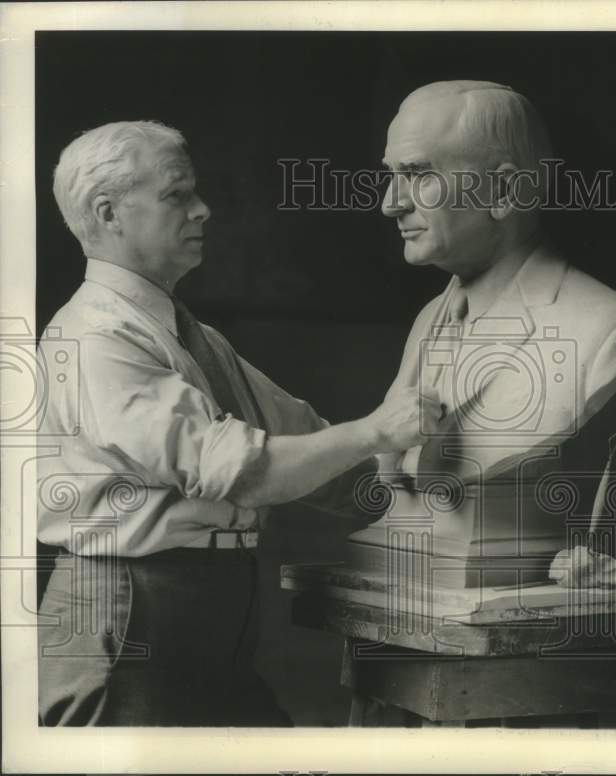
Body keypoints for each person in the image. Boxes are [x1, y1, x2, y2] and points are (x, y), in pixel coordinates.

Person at [36, 120, 440, 725]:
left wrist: (436, 501)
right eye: (177, 195)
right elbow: (244, 474)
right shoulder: (96, 338)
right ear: (109, 212)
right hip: (127, 619)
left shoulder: (192, 338)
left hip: (208, 615)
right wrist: (378, 431)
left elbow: (308, 445)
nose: (203, 210)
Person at [346, 81, 616, 583]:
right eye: (391, 177)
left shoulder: (605, 328)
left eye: (417, 174)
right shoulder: (431, 318)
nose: (389, 204)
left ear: (504, 191)